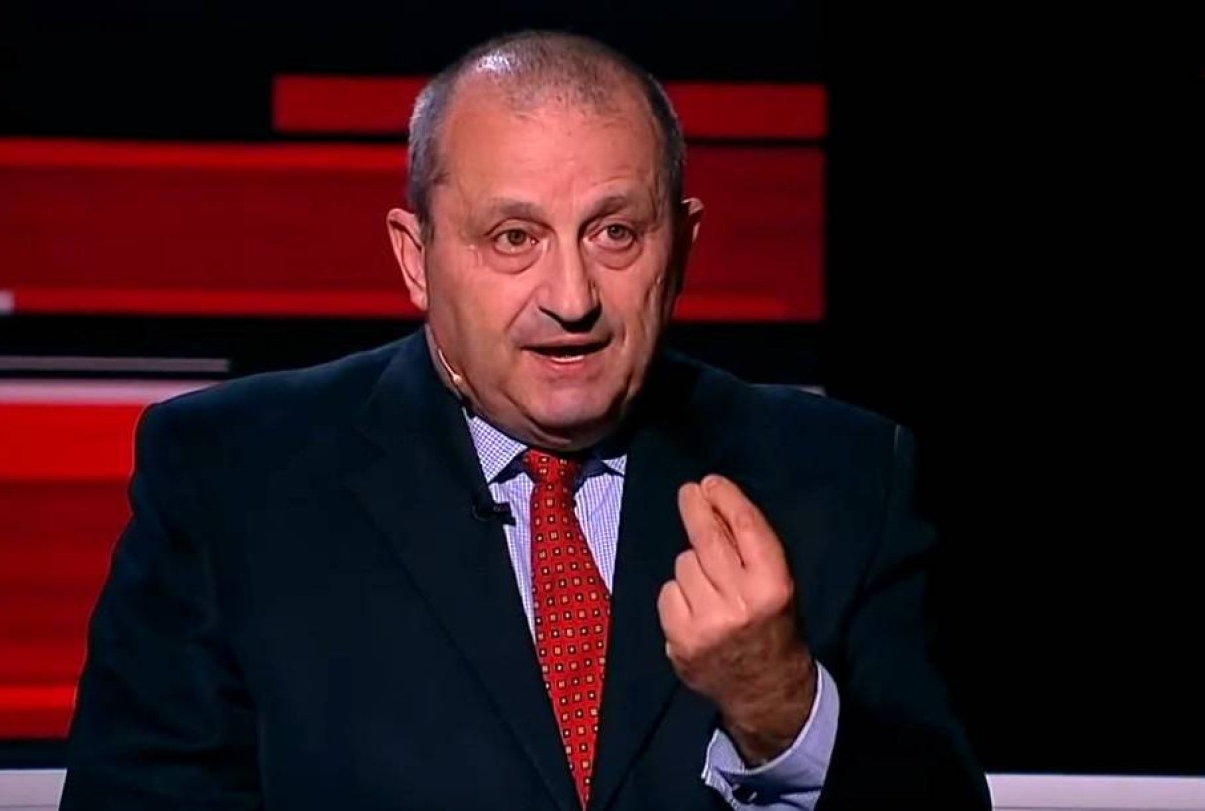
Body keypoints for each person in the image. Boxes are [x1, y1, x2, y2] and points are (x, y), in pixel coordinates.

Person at [59, 30, 989, 811]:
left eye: (615, 232)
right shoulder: (230, 479)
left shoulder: (845, 476)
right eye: (515, 238)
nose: (571, 297)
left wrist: (781, 708)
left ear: (682, 247)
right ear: (416, 258)